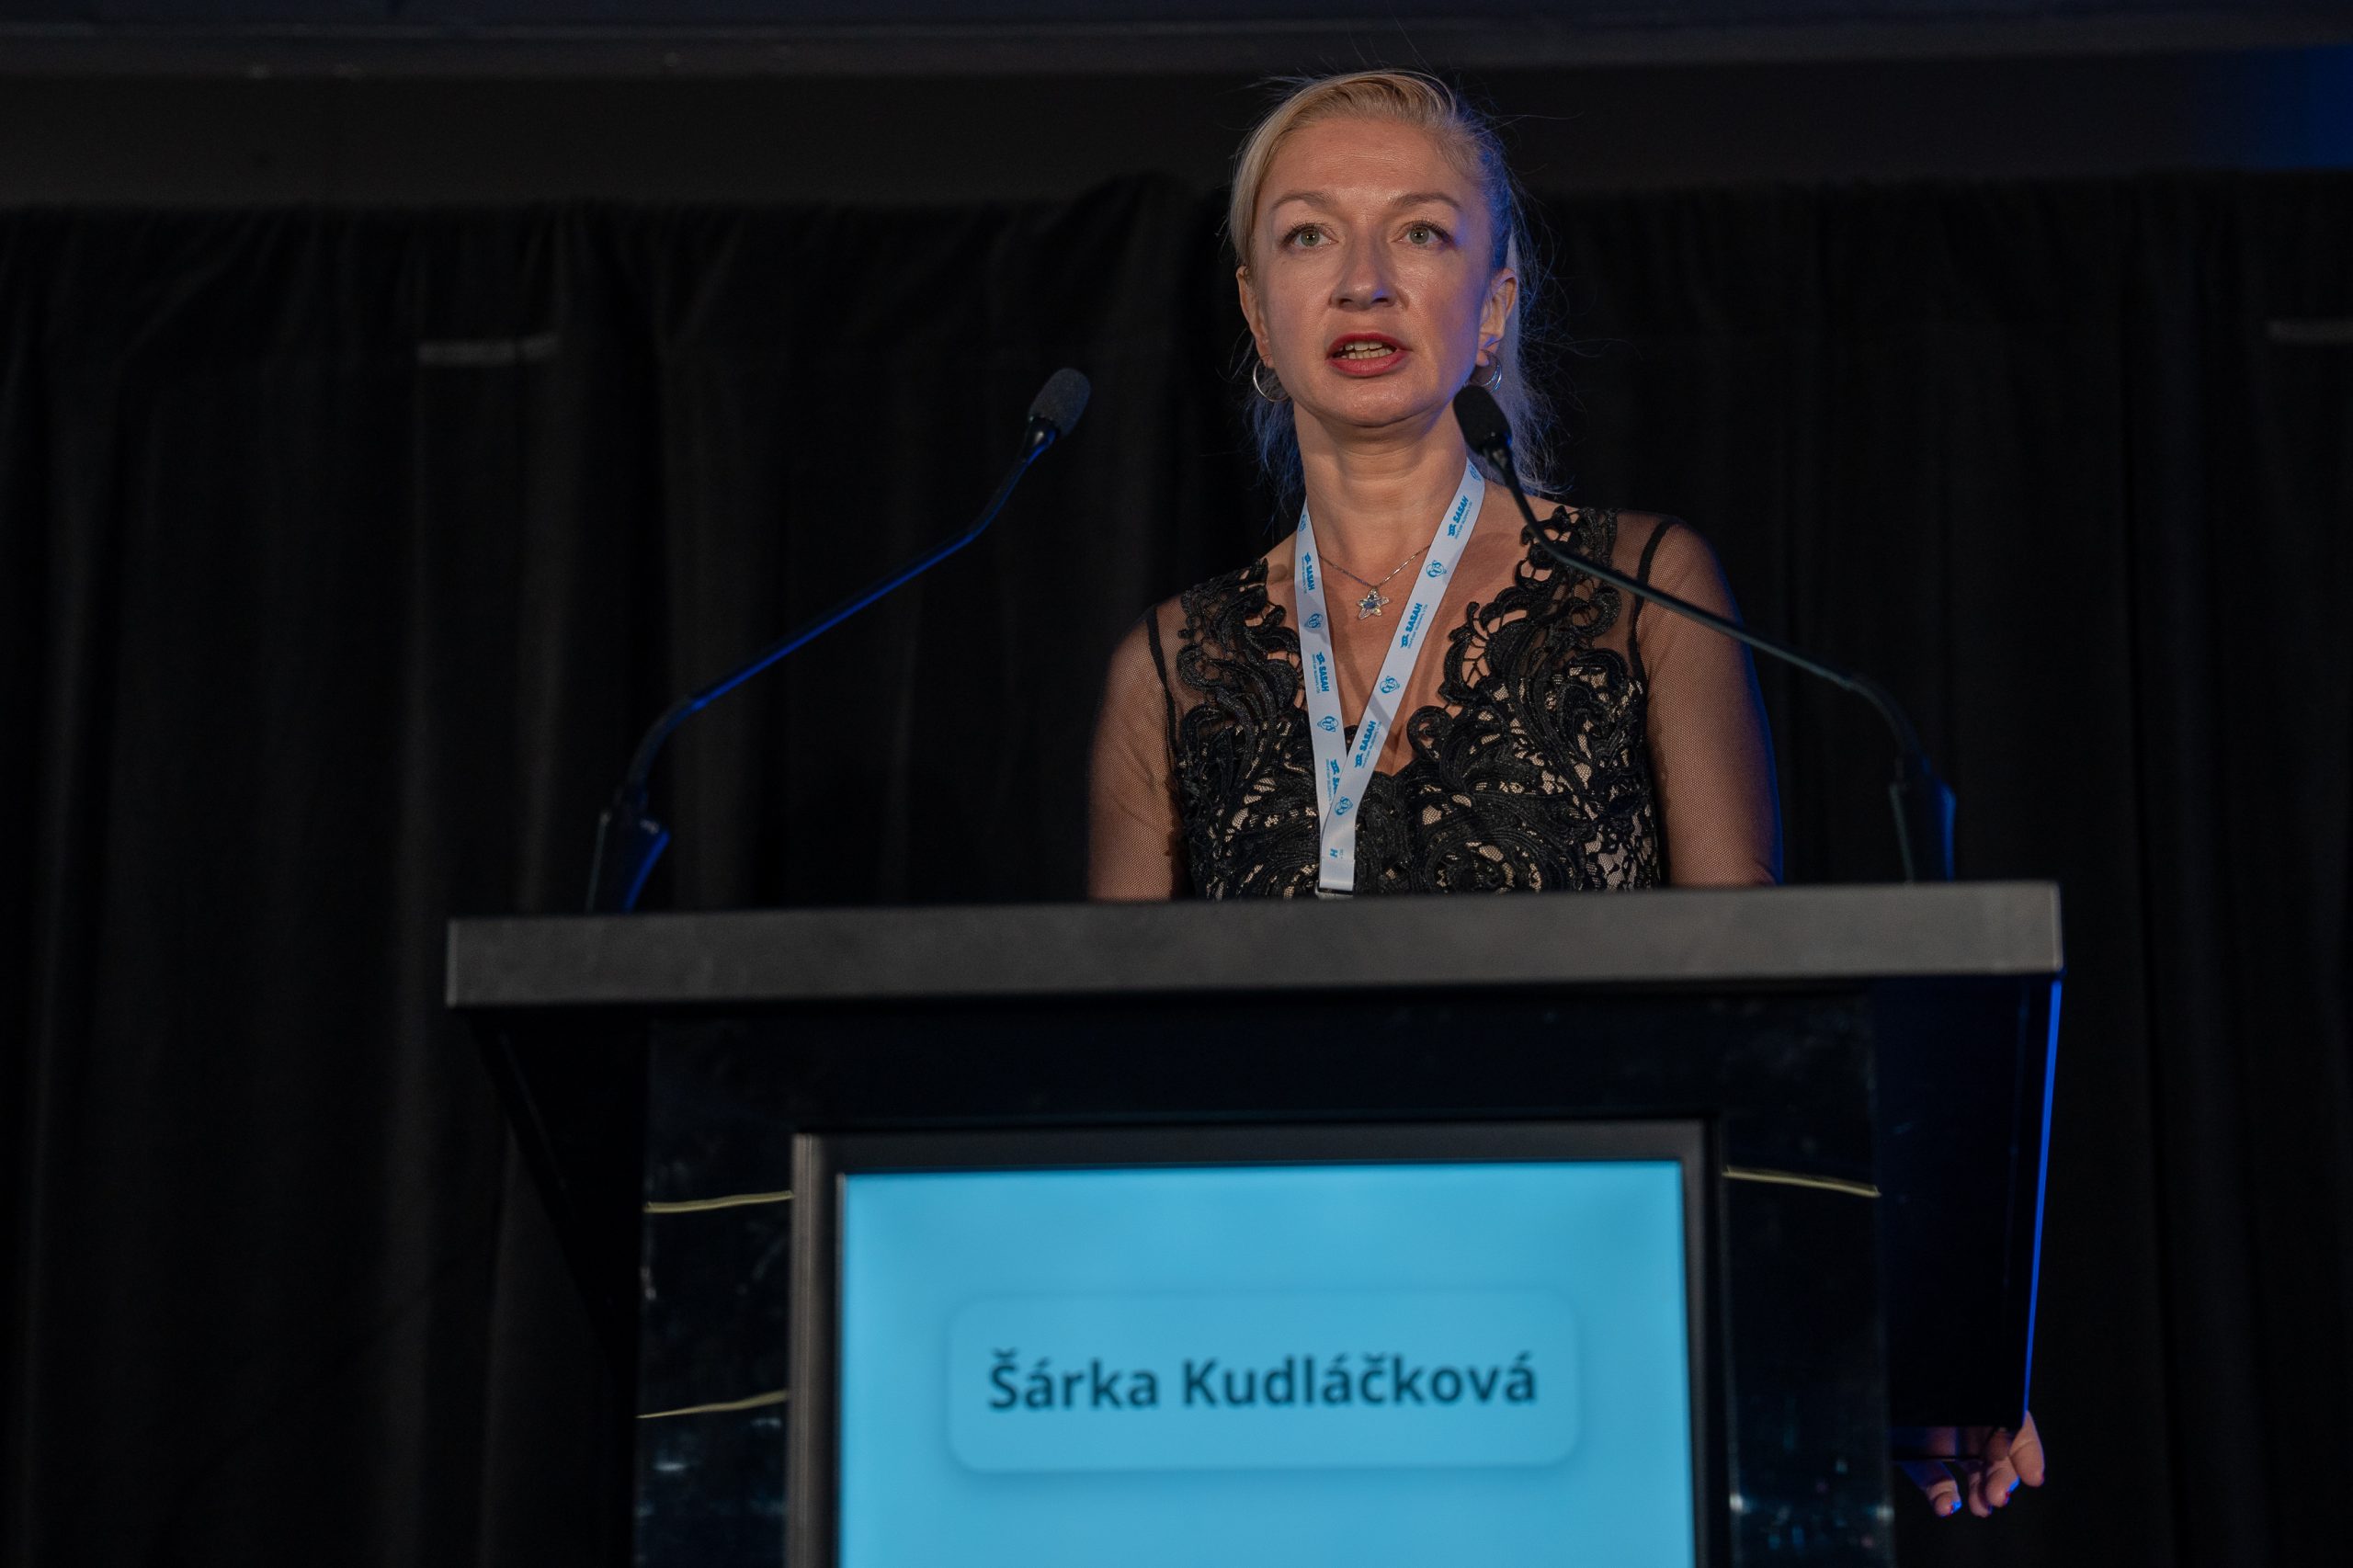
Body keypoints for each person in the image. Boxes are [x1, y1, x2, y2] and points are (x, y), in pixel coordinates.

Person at [1086, 66, 2042, 1517]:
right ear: (1255, 312)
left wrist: (1886, 1334)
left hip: (1594, 1340)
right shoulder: (1168, 666)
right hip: (1284, 1358)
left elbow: (1755, 1021)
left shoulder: (1641, 591)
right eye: (1307, 234)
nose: (1361, 277)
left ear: (1495, 306)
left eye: (1419, 231)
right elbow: (1105, 1089)